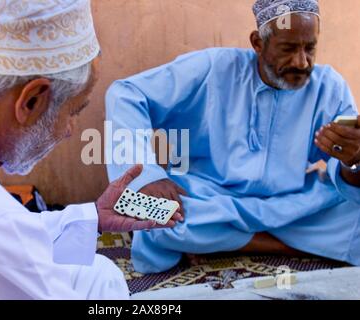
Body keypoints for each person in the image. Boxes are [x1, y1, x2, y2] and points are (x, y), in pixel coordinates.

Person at [0, 0, 182, 299]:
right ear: (31, 101)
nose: (69, 130)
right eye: (74, 111)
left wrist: (92, 215)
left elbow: (7, 234)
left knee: (97, 275)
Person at [106, 0, 360, 274]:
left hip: (293, 204)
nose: (301, 62)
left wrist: (353, 160)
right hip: (208, 196)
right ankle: (291, 246)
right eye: (288, 48)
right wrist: (148, 177)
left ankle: (233, 241)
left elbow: (347, 178)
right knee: (148, 210)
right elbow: (126, 94)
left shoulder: (329, 87)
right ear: (258, 43)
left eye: (309, 48)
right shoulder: (213, 67)